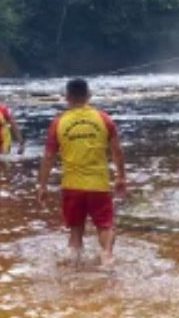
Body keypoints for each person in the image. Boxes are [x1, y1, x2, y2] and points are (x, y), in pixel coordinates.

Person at [37, 78, 127, 266]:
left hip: (72, 186)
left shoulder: (58, 123)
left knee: (76, 229)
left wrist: (42, 185)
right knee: (105, 226)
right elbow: (117, 151)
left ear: (67, 97)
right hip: (99, 185)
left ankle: (74, 266)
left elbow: (48, 157)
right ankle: (107, 256)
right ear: (89, 96)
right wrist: (121, 177)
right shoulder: (104, 119)